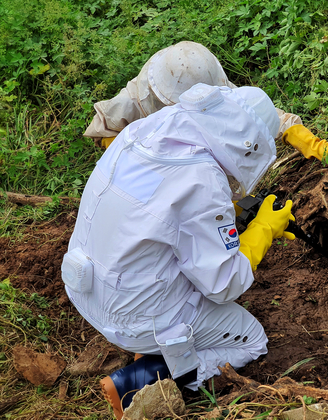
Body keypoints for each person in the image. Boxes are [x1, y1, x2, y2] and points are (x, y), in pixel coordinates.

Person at [62, 82, 295, 419]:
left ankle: (149, 348)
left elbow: (160, 209)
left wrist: (227, 217)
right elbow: (224, 285)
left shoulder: (143, 132)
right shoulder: (203, 180)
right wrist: (263, 230)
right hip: (133, 317)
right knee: (251, 340)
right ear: (249, 145)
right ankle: (138, 382)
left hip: (85, 287)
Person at [84, 41, 328, 161]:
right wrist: (139, 154)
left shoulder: (210, 80)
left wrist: (312, 144)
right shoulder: (136, 97)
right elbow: (102, 128)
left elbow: (256, 113)